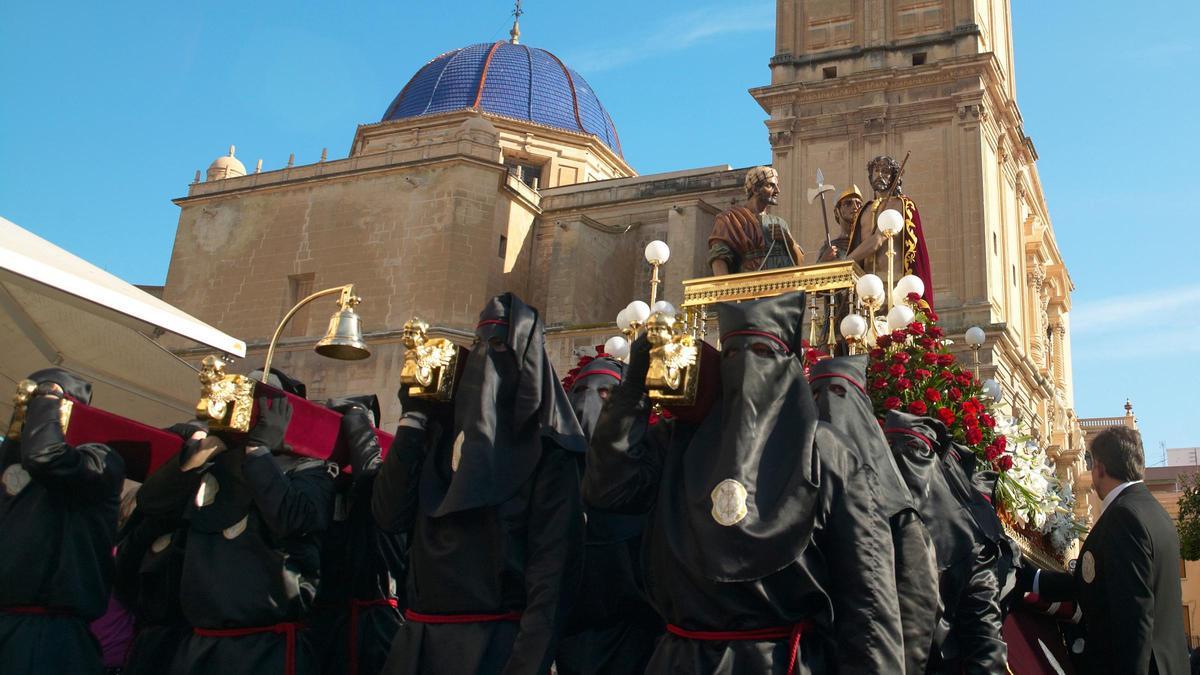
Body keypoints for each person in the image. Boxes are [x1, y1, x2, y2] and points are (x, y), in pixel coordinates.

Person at [584, 291, 903, 673]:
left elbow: (868, 604)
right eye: (734, 355)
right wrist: (634, 387)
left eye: (764, 354)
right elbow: (607, 489)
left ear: (789, 366)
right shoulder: (676, 441)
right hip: (682, 660)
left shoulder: (827, 453)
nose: (749, 371)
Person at [373, 293, 586, 675]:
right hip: (418, 648)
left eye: (500, 345)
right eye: (479, 344)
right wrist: (413, 419)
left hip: (494, 652)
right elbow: (389, 516)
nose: (487, 357)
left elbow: (552, 583)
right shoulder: (441, 435)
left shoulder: (550, 453)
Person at [137, 370, 338, 675]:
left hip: (267, 649)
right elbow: (151, 502)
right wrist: (210, 446)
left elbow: (293, 519)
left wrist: (259, 451)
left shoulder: (307, 469)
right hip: (200, 646)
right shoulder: (210, 463)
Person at [1020, 426, 1188, 674]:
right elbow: (1094, 582)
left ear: (1099, 467)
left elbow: (1134, 614)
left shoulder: (1124, 517)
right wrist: (1031, 577)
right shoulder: (1155, 513)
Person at [810, 356, 940, 673]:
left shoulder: (896, 503)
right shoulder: (808, 477)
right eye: (815, 396)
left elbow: (916, 602)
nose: (825, 406)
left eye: (837, 393)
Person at [0, 369, 126, 674]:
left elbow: (46, 457)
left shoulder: (100, 459)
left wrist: (48, 396)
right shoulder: (13, 463)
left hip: (51, 633)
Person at [555, 352, 663, 675]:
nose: (589, 405)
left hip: (632, 639)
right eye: (581, 393)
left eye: (604, 395)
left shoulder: (644, 470)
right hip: (570, 639)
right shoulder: (553, 472)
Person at [884, 411, 1008, 674]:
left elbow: (985, 638)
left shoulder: (970, 541)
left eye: (913, 451)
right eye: (893, 452)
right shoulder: (867, 523)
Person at [308, 396, 406, 675]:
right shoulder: (326, 487)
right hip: (334, 624)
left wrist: (356, 420)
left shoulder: (389, 497)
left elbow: (372, 479)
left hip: (378, 625)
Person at [845, 155, 934, 305]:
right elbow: (857, 244)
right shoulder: (864, 210)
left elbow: (877, 241)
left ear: (894, 177)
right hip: (866, 287)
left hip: (894, 283)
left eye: (885, 171)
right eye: (876, 170)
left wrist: (845, 263)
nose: (880, 175)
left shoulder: (902, 205)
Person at [708, 166, 804, 275]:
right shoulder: (730, 219)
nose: (777, 190)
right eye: (770, 186)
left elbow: (800, 264)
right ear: (755, 189)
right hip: (750, 285)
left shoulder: (780, 222)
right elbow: (719, 257)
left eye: (777, 186)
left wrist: (789, 241)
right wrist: (724, 288)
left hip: (784, 284)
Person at [816, 185, 864, 262]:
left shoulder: (865, 243)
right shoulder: (831, 247)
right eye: (848, 204)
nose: (855, 207)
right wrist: (823, 261)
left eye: (859, 204)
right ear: (837, 212)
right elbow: (816, 273)